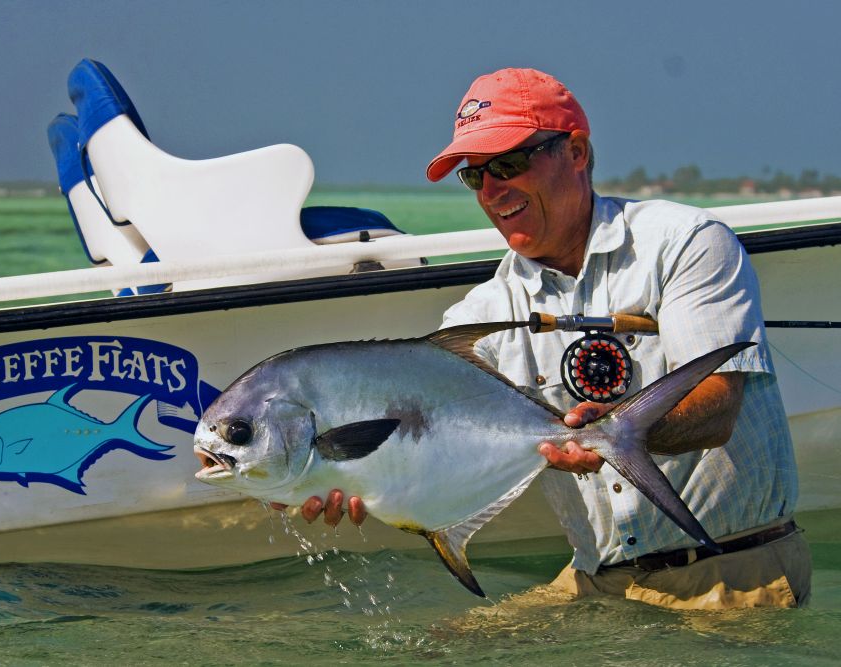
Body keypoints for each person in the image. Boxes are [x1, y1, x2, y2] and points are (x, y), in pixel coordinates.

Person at [279, 67, 811, 610]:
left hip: (732, 571)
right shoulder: (482, 313)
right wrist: (335, 476)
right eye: (474, 175)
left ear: (576, 151)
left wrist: (613, 437)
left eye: (508, 164)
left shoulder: (685, 243)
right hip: (596, 580)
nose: (491, 190)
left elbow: (718, 407)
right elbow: (429, 448)